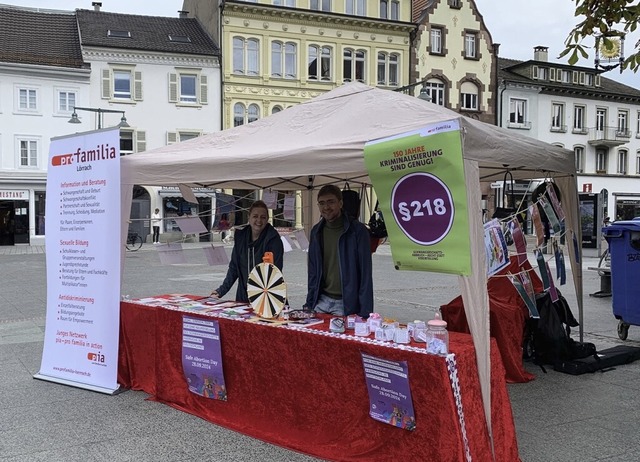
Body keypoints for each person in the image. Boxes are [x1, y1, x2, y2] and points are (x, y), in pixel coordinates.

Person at [304, 185, 373, 318]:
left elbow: (365, 275)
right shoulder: (316, 232)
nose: (326, 207)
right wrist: (309, 303)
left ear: (340, 203)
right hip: (321, 301)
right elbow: (313, 271)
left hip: (346, 304)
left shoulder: (358, 231)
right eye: (322, 203)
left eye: (331, 202)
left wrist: (365, 313)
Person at [211, 200, 284, 303]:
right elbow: (234, 268)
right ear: (249, 217)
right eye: (255, 216)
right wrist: (220, 291)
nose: (259, 221)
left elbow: (275, 273)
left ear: (267, 219)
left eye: (263, 217)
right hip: (243, 298)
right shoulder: (241, 238)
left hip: (267, 299)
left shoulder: (273, 240)